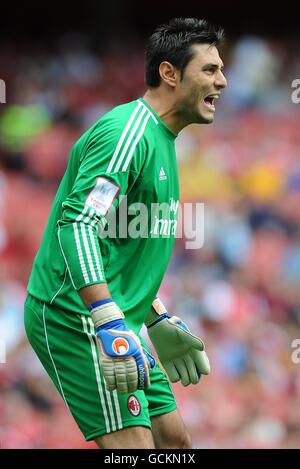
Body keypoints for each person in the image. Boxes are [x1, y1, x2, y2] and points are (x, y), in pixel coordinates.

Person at [24, 17, 227, 449]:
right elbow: (78, 226)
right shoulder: (126, 134)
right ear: (170, 73)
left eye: (221, 69)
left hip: (119, 318)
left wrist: (153, 315)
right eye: (209, 69)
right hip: (74, 314)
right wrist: (106, 319)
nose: (222, 81)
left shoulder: (164, 141)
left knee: (174, 442)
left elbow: (115, 244)